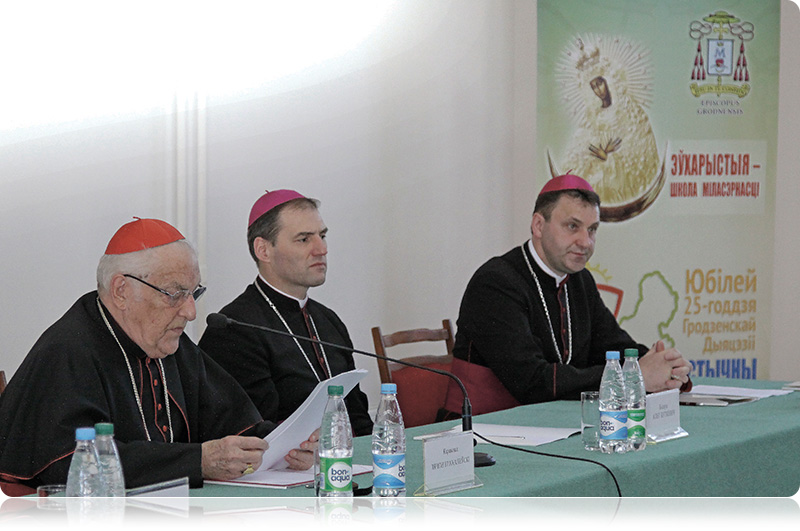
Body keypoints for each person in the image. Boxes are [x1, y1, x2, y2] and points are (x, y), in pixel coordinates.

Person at [0, 218, 317, 492]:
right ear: (122, 290)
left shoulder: (164, 341)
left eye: (194, 293)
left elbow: (231, 423)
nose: (191, 312)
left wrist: (285, 444)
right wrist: (198, 462)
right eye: (175, 294)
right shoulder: (67, 351)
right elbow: (71, 464)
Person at [446, 174, 692, 411]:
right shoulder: (496, 282)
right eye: (572, 226)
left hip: (554, 424)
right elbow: (531, 381)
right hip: (482, 432)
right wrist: (634, 375)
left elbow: (613, 346)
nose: (585, 242)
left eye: (592, 229)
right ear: (539, 225)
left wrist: (665, 367)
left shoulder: (579, 280)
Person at [199, 190, 373, 436]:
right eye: (304, 239)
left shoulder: (328, 321)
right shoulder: (235, 329)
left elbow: (357, 417)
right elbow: (251, 431)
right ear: (263, 250)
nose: (321, 249)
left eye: (322, 236)